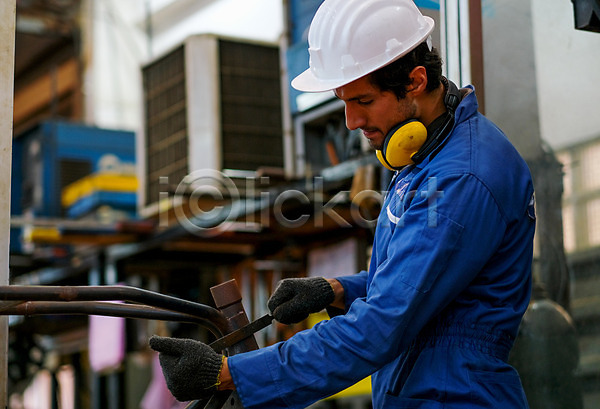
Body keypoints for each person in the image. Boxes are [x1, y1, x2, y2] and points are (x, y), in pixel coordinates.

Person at [149, 0, 536, 408]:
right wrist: (336, 289)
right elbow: (419, 283)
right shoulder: (428, 156)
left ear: (416, 80)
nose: (351, 121)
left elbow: (381, 325)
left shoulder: (460, 178)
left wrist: (229, 374)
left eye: (364, 102)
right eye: (343, 101)